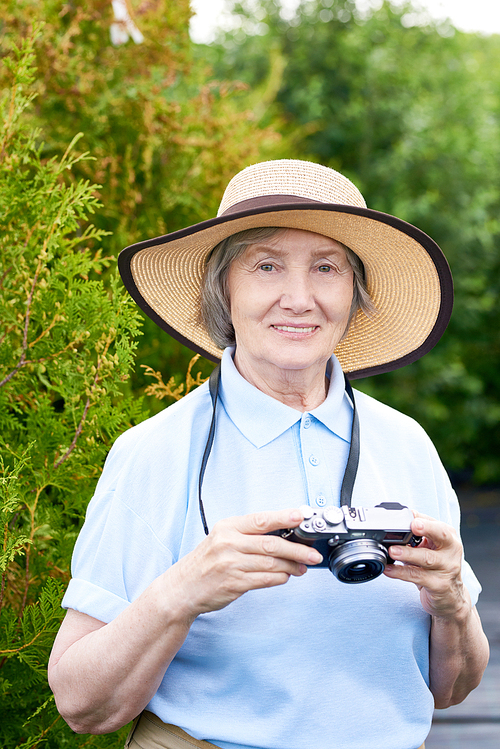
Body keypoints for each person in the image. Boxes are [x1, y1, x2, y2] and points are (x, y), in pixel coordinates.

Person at [48, 159, 489, 749]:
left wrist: (451, 602)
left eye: (326, 268)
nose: (299, 298)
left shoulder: (406, 444)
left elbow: (452, 689)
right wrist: (182, 591)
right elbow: (80, 705)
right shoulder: (154, 453)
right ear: (223, 291)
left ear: (353, 297)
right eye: (266, 266)